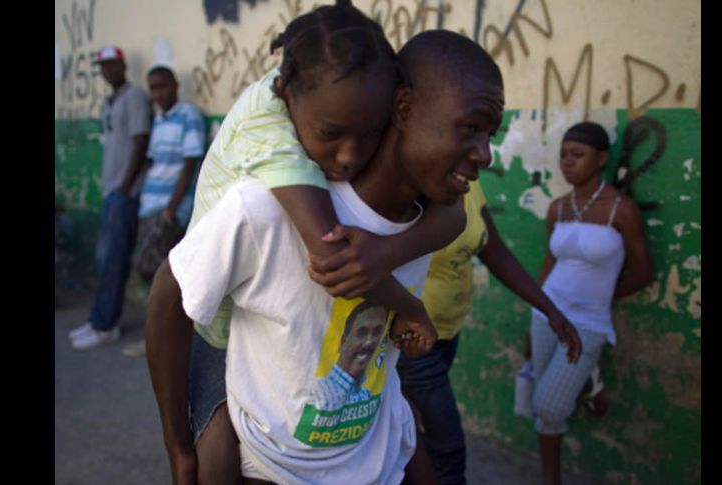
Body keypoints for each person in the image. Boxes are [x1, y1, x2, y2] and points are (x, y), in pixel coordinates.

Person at [146, 28, 509, 484]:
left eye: (490, 134)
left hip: (367, 448)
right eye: (470, 128)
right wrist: (178, 447)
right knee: (212, 453)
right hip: (245, 395)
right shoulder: (270, 195)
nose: (487, 154)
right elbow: (173, 292)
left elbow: (452, 220)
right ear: (404, 109)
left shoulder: (429, 213)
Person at [332, 176, 578, 485]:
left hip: (447, 333)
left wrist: (549, 309)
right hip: (410, 339)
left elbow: (495, 251)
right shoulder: (404, 188)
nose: (484, 155)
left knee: (415, 437)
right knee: (447, 449)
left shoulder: (468, 184)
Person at [531, 121, 652, 485]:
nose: (568, 162)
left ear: (601, 159)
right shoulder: (558, 208)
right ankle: (551, 479)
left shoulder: (622, 210)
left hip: (587, 321)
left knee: (547, 406)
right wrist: (533, 312)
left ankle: (589, 379)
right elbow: (549, 265)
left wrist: (598, 296)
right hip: (547, 314)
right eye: (564, 154)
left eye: (577, 155)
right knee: (545, 405)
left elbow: (643, 272)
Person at [70, 45, 152, 350]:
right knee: (105, 260)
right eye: (102, 67)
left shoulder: (134, 98)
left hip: (125, 193)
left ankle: (105, 325)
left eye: (111, 65)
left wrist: (124, 186)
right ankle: (99, 320)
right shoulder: (110, 101)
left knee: (113, 260)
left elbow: (140, 141)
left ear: (122, 65)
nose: (107, 71)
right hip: (112, 191)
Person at [122, 65, 206, 358]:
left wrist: (172, 208)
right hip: (150, 203)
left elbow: (190, 163)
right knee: (155, 274)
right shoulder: (158, 119)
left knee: (158, 271)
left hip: (169, 208)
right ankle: (163, 336)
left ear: (175, 86)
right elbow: (154, 163)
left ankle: (172, 337)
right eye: (154, 88)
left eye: (163, 87)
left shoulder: (188, 116)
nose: (159, 93)